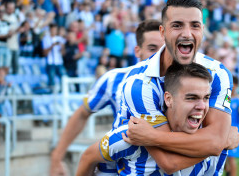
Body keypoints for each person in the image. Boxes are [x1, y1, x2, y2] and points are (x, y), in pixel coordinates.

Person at [116, 0, 238, 174]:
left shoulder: (218, 74)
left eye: (195, 25)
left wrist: (153, 137)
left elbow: (215, 141)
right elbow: (169, 162)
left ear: (203, 30)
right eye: (177, 25)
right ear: (163, 32)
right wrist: (220, 142)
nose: (187, 33)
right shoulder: (139, 83)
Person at [50, 19, 164, 176]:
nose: (159, 55)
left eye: (164, 49)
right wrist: (57, 157)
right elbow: (82, 114)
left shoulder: (181, 83)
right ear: (137, 51)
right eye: (152, 49)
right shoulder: (114, 78)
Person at [76, 62, 216, 175]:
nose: (202, 106)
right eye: (191, 98)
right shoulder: (132, 134)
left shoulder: (210, 138)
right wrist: (218, 144)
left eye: (206, 98)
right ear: (168, 99)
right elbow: (88, 157)